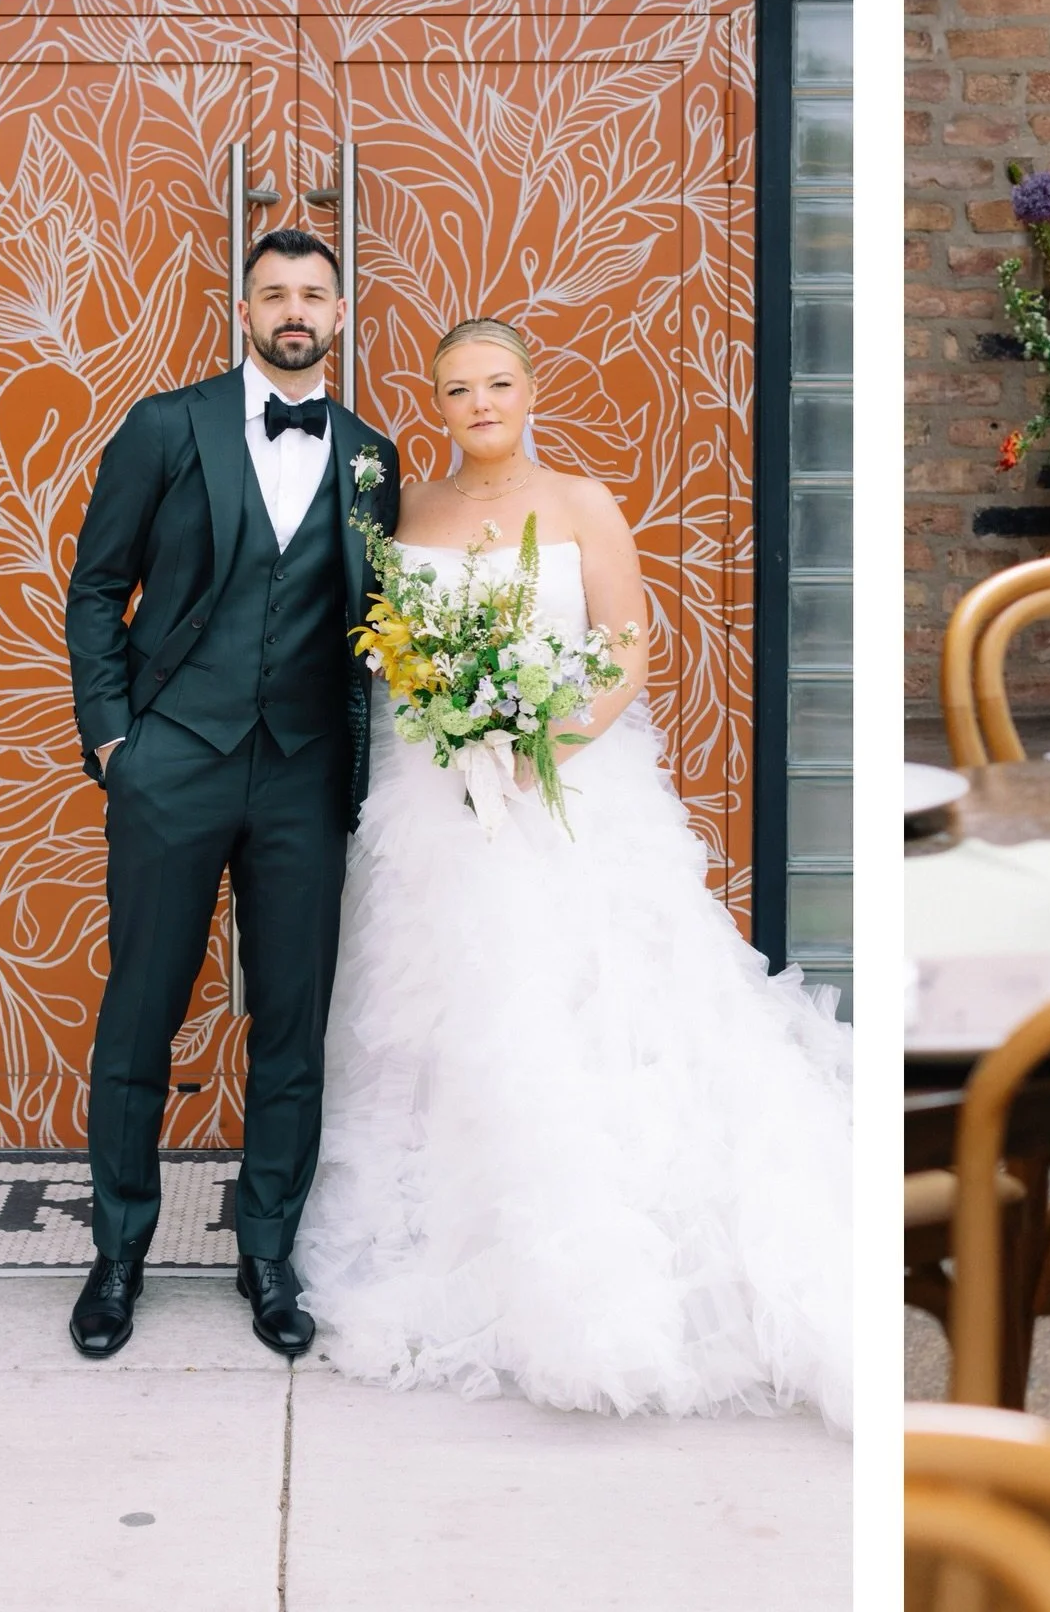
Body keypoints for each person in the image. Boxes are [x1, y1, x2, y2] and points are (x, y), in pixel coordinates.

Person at [294, 318, 852, 1428]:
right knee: (441, 1011)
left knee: (576, 1008)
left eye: (498, 383)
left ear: (530, 389)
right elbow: (389, 648)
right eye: (458, 390)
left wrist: (549, 740)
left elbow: (629, 643)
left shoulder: (583, 503)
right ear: (439, 403)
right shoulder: (412, 512)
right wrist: (460, 730)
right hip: (436, 801)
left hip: (565, 790)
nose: (480, 404)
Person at [64, 228, 400, 1360]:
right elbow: (99, 586)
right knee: (142, 1009)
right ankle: (118, 1254)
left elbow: (378, 620)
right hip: (172, 763)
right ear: (244, 309)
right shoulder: (168, 425)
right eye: (274, 292)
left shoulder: (371, 456)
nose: (294, 309)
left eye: (314, 292)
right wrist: (117, 742)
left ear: (342, 314)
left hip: (304, 775)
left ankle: (268, 1254)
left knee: (292, 1024)